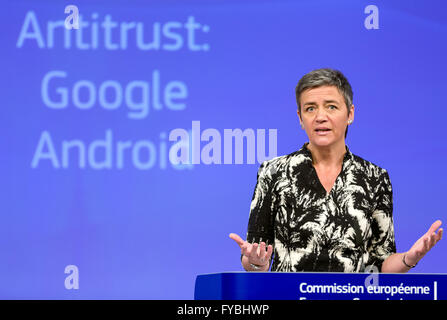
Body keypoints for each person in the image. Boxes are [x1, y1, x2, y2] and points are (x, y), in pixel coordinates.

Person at [229, 68, 443, 273]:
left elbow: (379, 264)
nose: (320, 116)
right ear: (300, 118)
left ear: (350, 113)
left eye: (331, 106)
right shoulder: (273, 172)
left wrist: (409, 258)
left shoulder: (375, 178)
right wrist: (256, 262)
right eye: (310, 108)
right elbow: (255, 256)